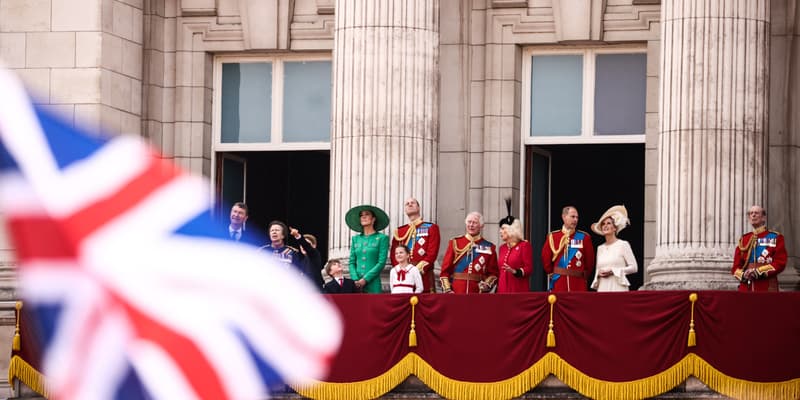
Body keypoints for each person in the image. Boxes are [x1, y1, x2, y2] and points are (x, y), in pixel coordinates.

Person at [440, 212, 499, 294]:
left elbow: (493, 273)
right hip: (456, 291)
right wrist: (448, 290)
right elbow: (445, 271)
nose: (471, 225)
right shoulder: (455, 242)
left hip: (478, 292)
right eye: (469, 222)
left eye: (474, 223)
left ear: (481, 225)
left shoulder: (489, 247)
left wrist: (487, 284)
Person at [731, 205, 787, 292]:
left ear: (764, 218)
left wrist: (758, 272)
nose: (753, 215)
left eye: (756, 213)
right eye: (751, 213)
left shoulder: (775, 237)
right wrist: (743, 275)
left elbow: (780, 262)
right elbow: (735, 267)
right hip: (746, 287)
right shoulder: (744, 239)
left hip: (766, 286)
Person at [391, 198, 441, 293]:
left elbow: (432, 254)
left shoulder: (431, 228)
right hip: (403, 278)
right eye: (407, 204)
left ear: (418, 208)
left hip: (423, 275)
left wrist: (414, 271)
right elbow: (394, 254)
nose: (410, 204)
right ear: (405, 210)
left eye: (412, 203)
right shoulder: (400, 231)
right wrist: (402, 270)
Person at [542, 206, 595, 292]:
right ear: (564, 217)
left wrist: (582, 275)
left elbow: (590, 262)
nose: (575, 220)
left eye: (577, 217)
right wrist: (554, 273)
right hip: (559, 282)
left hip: (578, 284)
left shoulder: (584, 237)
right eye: (572, 217)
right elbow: (546, 259)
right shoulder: (553, 237)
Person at [589, 205, 637, 292]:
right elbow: (598, 269)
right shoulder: (600, 248)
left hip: (618, 288)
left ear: (615, 228)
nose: (605, 226)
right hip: (603, 288)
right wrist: (598, 273)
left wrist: (613, 271)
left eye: (608, 223)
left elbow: (634, 268)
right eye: (603, 224)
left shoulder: (623, 244)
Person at [346, 204, 390, 294]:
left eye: (367, 214)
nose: (364, 217)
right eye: (361, 215)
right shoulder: (356, 239)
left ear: (373, 219)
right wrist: (355, 279)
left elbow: (381, 262)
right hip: (356, 284)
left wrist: (365, 279)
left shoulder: (382, 238)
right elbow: (351, 262)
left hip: (373, 283)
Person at [497, 200, 533, 293]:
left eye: (503, 228)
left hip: (518, 289)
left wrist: (515, 271)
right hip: (502, 290)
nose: (500, 231)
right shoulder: (502, 248)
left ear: (512, 230)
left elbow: (529, 268)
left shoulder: (524, 246)